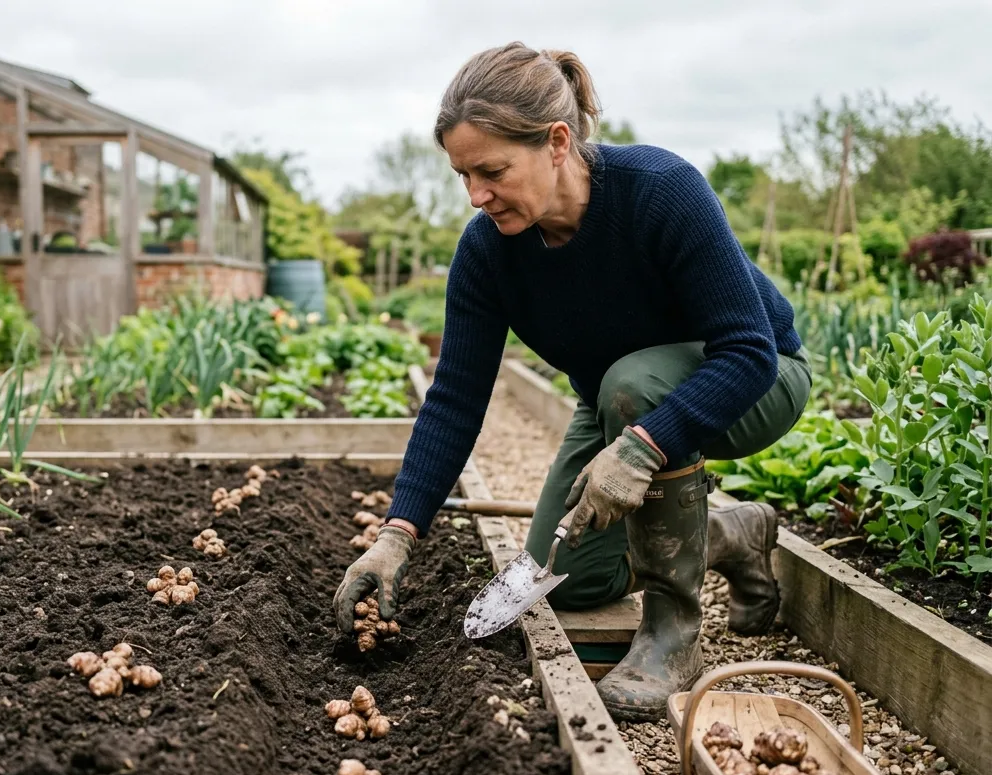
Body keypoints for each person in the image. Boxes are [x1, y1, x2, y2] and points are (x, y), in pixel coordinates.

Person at [332, 41, 812, 723]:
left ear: (557, 142)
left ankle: (673, 635)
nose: (477, 195)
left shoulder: (660, 190)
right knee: (562, 581)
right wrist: (397, 534)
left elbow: (748, 351)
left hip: (754, 382)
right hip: (621, 401)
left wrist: (644, 448)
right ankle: (731, 534)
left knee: (630, 385)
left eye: (492, 170)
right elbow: (455, 400)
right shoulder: (488, 253)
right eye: (462, 175)